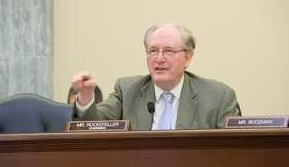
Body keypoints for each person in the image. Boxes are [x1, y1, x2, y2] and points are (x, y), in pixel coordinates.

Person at [71, 23, 241, 130]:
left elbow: (235, 151)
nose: (159, 59)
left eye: (168, 51)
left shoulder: (219, 96)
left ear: (187, 58)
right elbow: (93, 128)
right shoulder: (127, 89)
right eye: (153, 51)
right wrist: (86, 96)